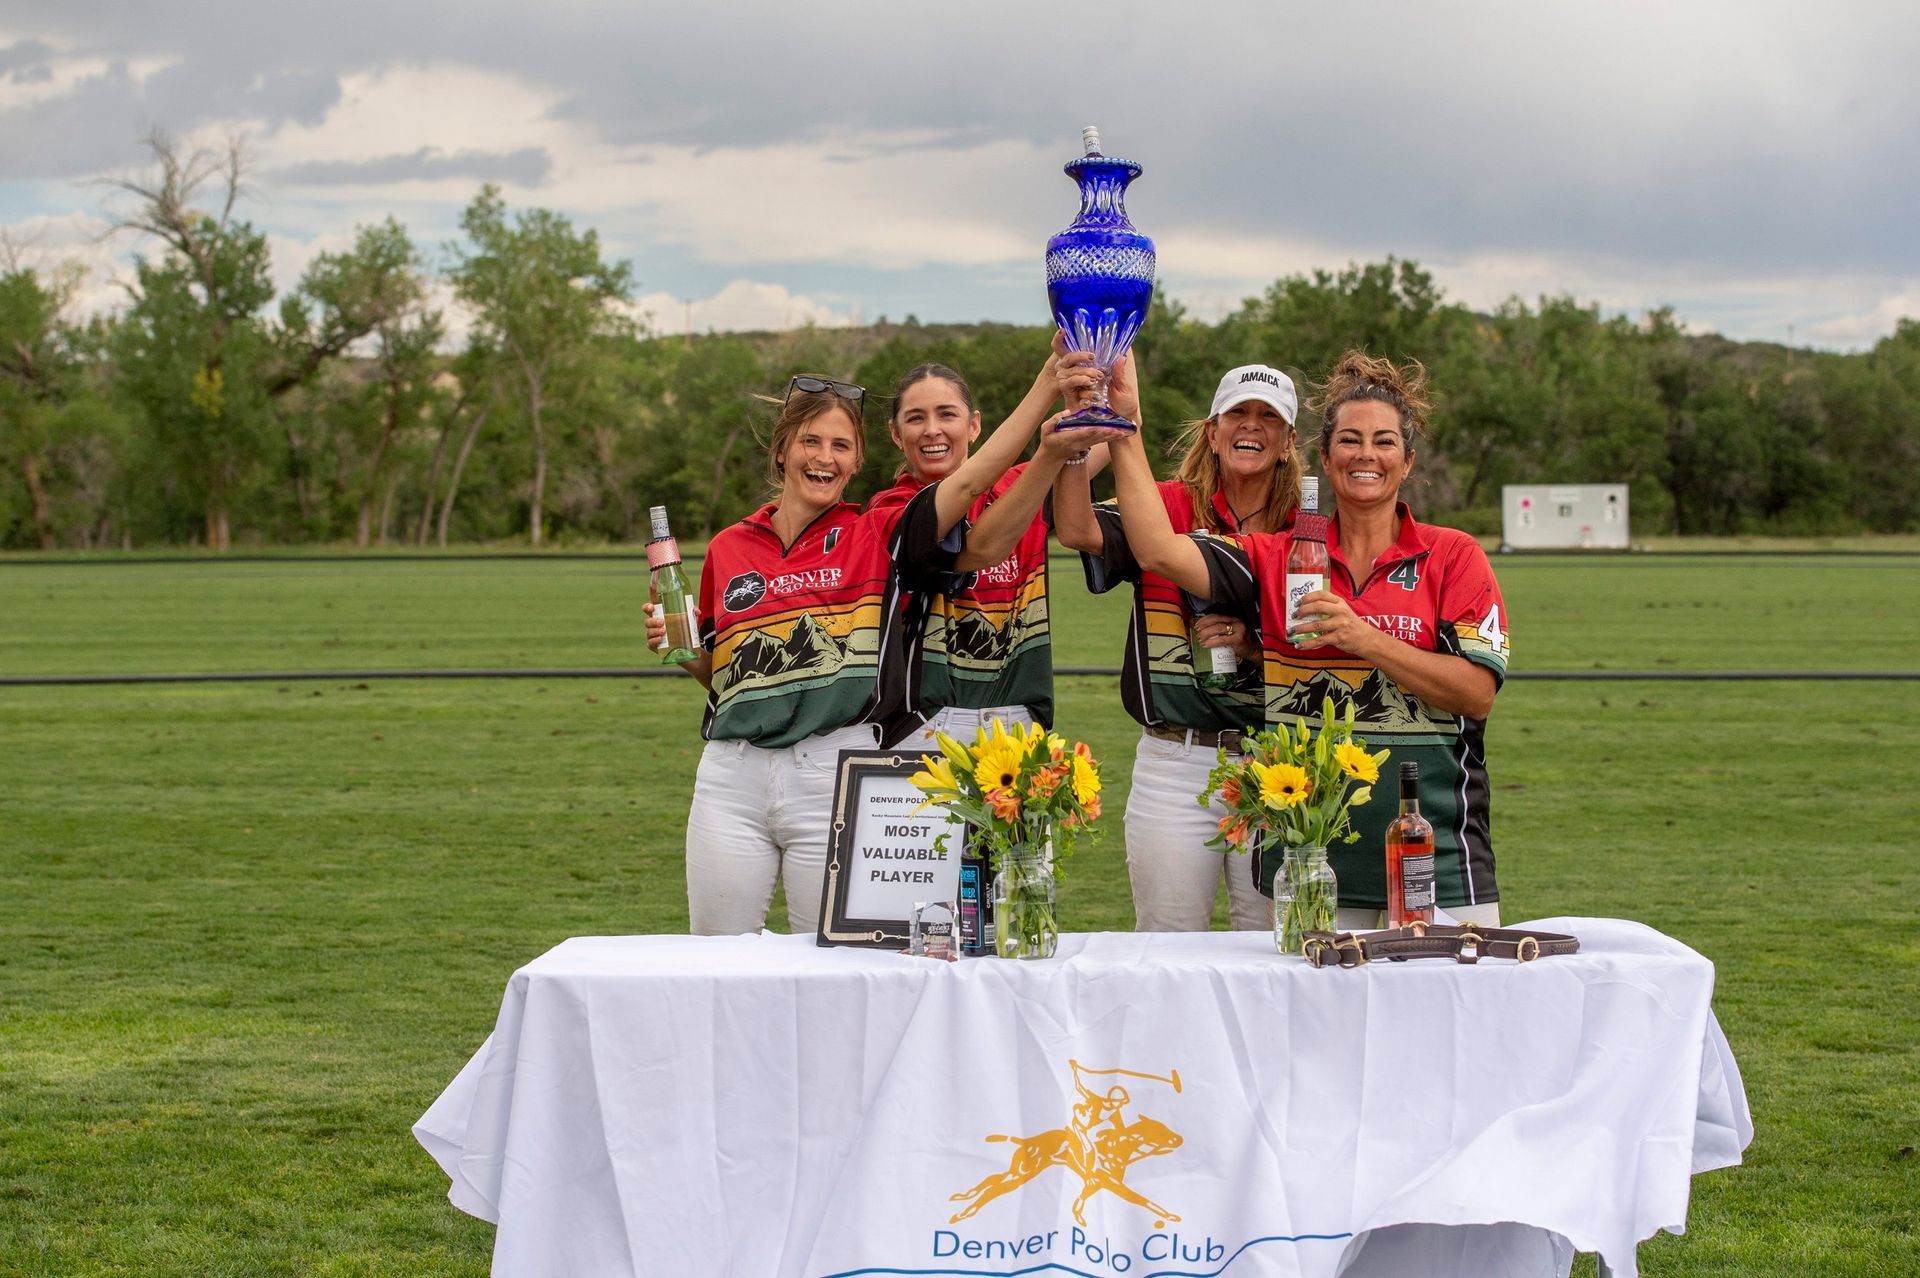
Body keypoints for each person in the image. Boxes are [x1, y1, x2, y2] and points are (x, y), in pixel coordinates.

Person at [647, 357, 1079, 935]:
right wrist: (680, 651)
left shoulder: (877, 531)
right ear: (782, 451)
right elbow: (723, 676)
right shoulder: (730, 546)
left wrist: (1047, 390)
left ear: (856, 461)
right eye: (810, 442)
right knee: (716, 959)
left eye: (840, 446)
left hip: (831, 767)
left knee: (833, 964)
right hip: (731, 771)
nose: (824, 457)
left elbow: (971, 484)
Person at [1093, 350, 1510, 929]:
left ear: (1408, 461)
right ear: (1324, 456)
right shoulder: (1282, 555)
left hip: (1433, 857)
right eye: (1351, 440)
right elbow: (1159, 550)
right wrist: (1127, 423)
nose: (1366, 455)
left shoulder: (1454, 554)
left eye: (1384, 442)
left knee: (1454, 1017)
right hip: (1313, 858)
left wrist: (1364, 637)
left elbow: (1477, 694)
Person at [1051, 355, 1304, 931]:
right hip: (1175, 757)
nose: (1251, 426)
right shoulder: (1162, 502)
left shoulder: (1309, 529)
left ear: (1288, 442)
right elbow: (1075, 528)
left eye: (1268, 418)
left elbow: (1325, 648)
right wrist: (1077, 438)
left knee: (1274, 945)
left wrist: (1253, 648)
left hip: (1277, 759)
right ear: (1212, 432)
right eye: (1237, 413)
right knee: (1166, 944)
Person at [871, 347, 1132, 749]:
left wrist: (1111, 363)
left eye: (947, 414)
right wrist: (1048, 390)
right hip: (924, 727)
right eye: (915, 418)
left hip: (1019, 725)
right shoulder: (890, 513)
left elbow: (1118, 431)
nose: (932, 430)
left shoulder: (1016, 488)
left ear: (975, 425)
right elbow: (983, 542)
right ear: (895, 433)